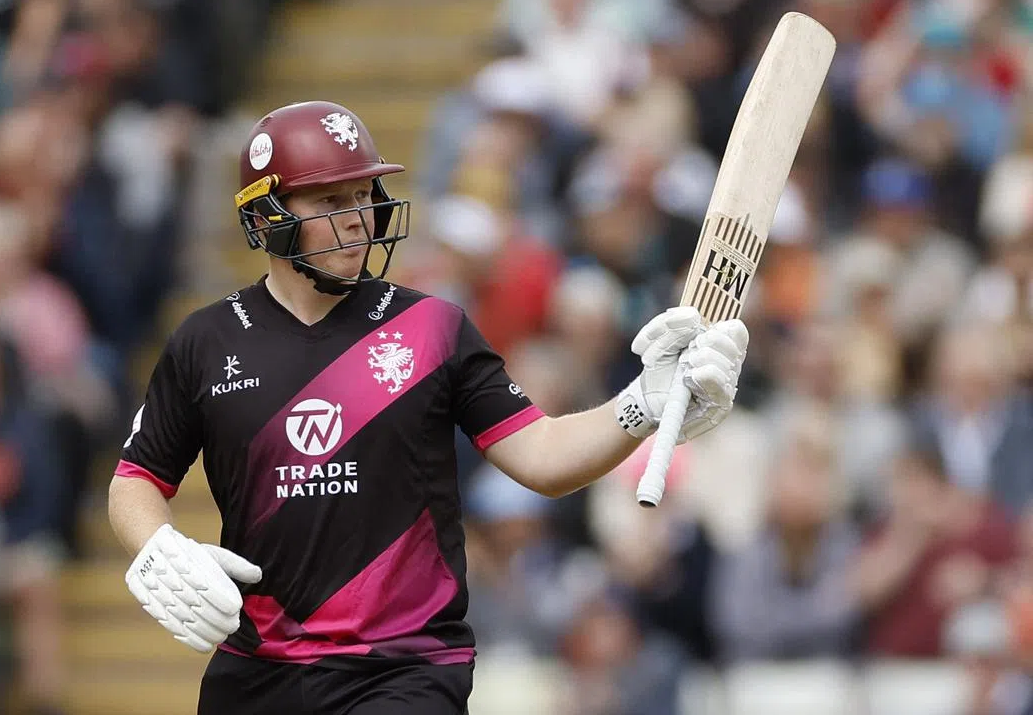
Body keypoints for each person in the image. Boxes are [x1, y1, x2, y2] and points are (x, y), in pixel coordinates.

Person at [107, 101, 749, 715]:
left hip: (404, 669)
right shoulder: (205, 341)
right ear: (268, 214)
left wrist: (641, 403)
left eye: (364, 195)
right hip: (256, 666)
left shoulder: (432, 327)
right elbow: (136, 479)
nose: (359, 216)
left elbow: (543, 455)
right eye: (332, 200)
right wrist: (159, 545)